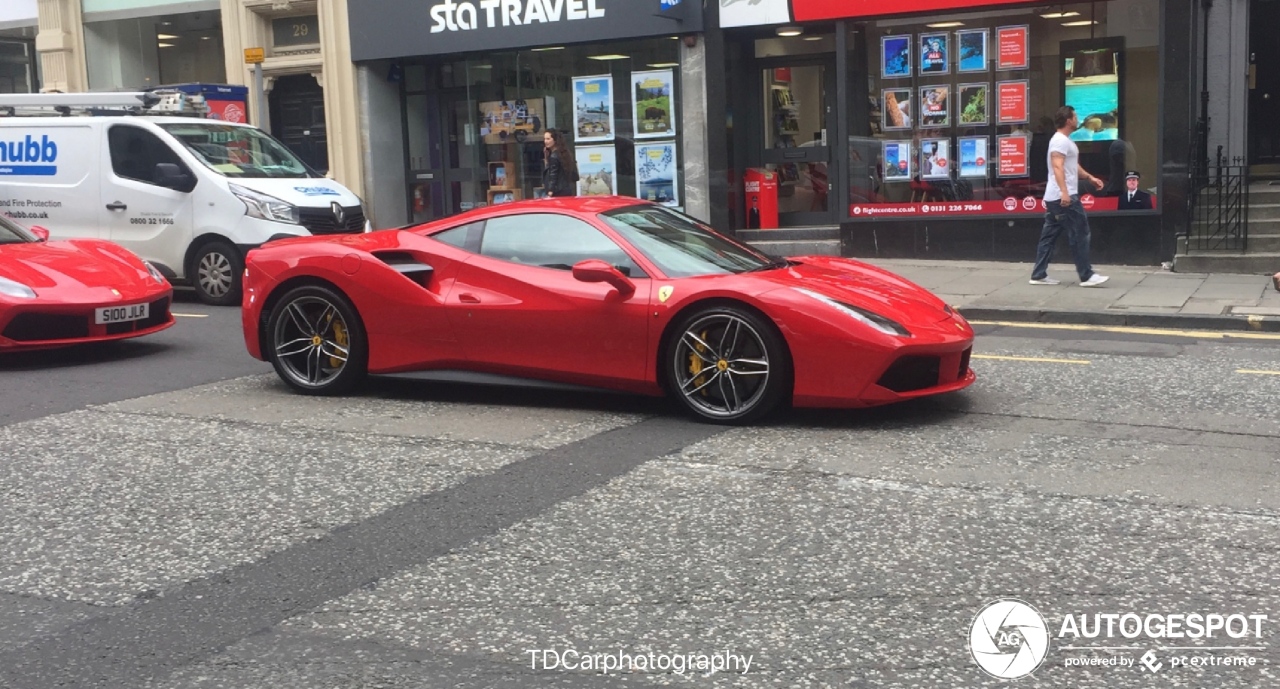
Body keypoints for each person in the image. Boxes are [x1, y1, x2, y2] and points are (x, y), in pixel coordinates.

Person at [1030, 105, 1109, 287]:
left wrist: (1089, 177)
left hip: (1055, 197)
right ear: (1068, 120)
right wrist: (1064, 192)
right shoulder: (1060, 141)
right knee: (1080, 233)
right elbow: (1058, 167)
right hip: (1063, 198)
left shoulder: (1064, 140)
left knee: (1049, 236)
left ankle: (1038, 274)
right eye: (1075, 116)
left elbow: (1071, 166)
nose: (1078, 118)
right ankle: (1086, 275)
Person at [541, 129, 578, 198]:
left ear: (555, 140)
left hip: (557, 191)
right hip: (566, 189)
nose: (545, 141)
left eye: (548, 139)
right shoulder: (564, 154)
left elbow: (553, 175)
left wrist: (550, 191)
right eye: (544, 139)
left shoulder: (554, 156)